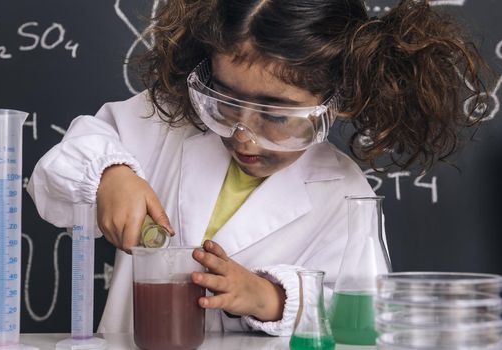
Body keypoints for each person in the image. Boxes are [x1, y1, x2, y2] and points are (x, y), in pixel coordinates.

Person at [28, 0, 488, 336]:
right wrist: (110, 174)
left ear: (335, 102)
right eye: (225, 101)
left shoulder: (342, 192)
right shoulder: (162, 122)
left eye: (275, 114)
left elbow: (358, 321)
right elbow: (58, 171)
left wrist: (269, 299)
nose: (242, 135)